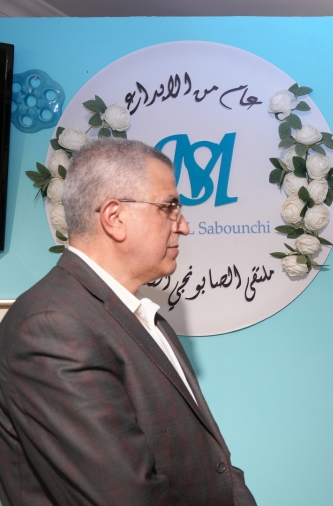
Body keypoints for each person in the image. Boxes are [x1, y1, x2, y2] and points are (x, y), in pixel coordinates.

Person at [0, 139, 256, 505]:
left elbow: (216, 464)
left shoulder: (145, 318)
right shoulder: (52, 325)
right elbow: (128, 496)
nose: (183, 226)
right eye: (169, 207)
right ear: (114, 217)